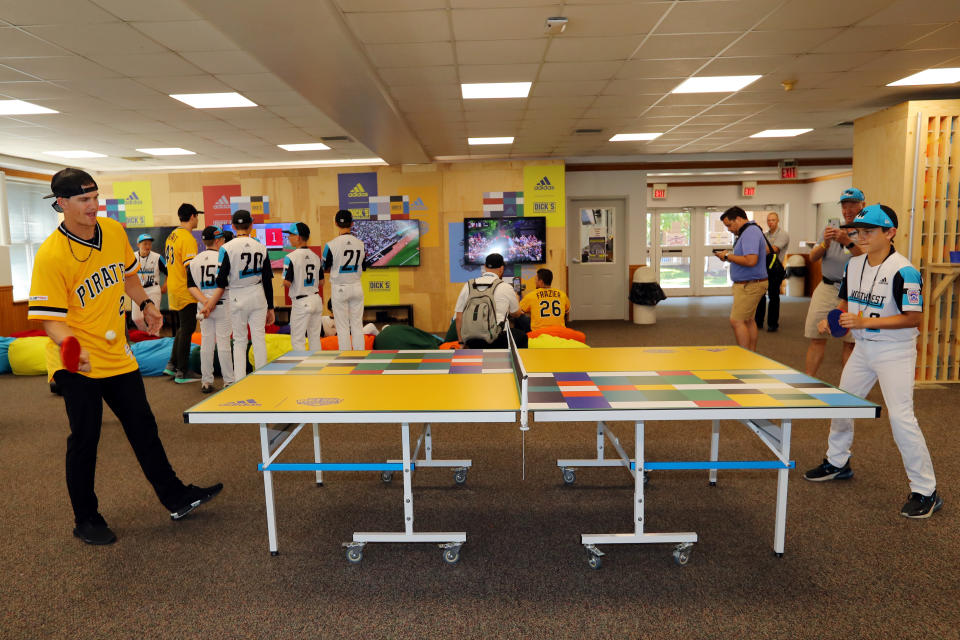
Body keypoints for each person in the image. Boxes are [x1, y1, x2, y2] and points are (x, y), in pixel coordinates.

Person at [28, 168, 222, 546]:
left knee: (143, 428)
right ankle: (86, 518)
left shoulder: (113, 232)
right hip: (76, 362)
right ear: (62, 203)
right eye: (84, 200)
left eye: (95, 197)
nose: (93, 205)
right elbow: (50, 322)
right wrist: (73, 348)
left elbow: (127, 275)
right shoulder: (51, 255)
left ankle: (176, 496)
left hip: (117, 355)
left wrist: (147, 304)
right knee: (85, 438)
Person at [804, 204, 942, 519]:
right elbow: (845, 302)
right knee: (841, 404)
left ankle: (926, 491)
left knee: (901, 418)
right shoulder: (854, 265)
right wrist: (832, 319)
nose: (862, 237)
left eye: (870, 231)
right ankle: (837, 463)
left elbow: (914, 319)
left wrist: (864, 323)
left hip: (895, 352)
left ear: (890, 233)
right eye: (859, 231)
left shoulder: (904, 271)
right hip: (863, 349)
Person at [201, 210, 274, 382]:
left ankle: (240, 381)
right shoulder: (261, 246)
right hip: (258, 294)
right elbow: (267, 280)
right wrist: (271, 307)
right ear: (251, 225)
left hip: (237, 295)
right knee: (259, 339)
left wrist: (210, 302)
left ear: (233, 226)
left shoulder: (226, 248)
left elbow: (220, 279)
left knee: (240, 341)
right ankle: (262, 379)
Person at [803, 188, 864, 377]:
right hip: (827, 287)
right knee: (816, 336)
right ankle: (807, 383)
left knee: (850, 342)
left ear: (863, 205)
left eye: (853, 204)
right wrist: (825, 244)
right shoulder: (829, 230)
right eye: (845, 205)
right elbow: (813, 257)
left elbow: (868, 259)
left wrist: (848, 242)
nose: (848, 209)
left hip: (854, 291)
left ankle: (849, 390)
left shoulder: (867, 231)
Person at [187, 226, 235, 394]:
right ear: (217, 240)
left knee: (206, 344)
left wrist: (206, 303)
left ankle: (206, 381)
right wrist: (211, 303)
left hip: (203, 307)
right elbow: (225, 284)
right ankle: (228, 381)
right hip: (221, 305)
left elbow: (191, 287)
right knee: (223, 344)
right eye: (221, 239)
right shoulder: (223, 258)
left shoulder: (194, 260)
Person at [715, 206, 767, 351]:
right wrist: (729, 256)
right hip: (750, 283)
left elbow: (751, 260)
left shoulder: (750, 232)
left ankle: (745, 357)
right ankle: (751, 354)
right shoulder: (750, 231)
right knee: (748, 320)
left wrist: (727, 256)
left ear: (738, 219)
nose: (729, 229)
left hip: (750, 285)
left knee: (737, 321)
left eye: (729, 225)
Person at [164, 203, 202, 383]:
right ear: (193, 216)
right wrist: (198, 293)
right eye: (197, 216)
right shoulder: (187, 238)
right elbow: (190, 270)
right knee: (187, 329)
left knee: (182, 328)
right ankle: (183, 371)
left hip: (174, 288)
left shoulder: (172, 235)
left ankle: (172, 365)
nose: (198, 219)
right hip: (184, 289)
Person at [455, 252, 523, 349]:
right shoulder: (506, 287)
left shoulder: (468, 285)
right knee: (522, 337)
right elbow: (516, 313)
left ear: (485, 267)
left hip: (472, 339)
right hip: (497, 338)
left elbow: (458, 317)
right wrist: (516, 298)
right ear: (501, 268)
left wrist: (461, 342)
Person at [323, 210, 366, 350]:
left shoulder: (330, 245)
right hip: (356, 286)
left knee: (342, 327)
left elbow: (325, 268)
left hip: (340, 287)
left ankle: (345, 358)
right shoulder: (361, 244)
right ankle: (361, 357)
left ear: (336, 223)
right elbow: (363, 266)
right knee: (357, 325)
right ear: (352, 224)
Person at [283, 222, 324, 351]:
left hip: (301, 302)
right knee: (314, 338)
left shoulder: (290, 257)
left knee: (298, 339)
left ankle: (301, 369)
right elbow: (321, 283)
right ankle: (317, 367)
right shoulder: (316, 256)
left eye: (291, 235)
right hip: (316, 299)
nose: (288, 237)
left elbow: (287, 283)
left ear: (298, 237)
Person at [754, 211, 789, 332]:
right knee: (760, 295)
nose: (770, 222)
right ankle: (758, 322)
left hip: (775, 269)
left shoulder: (783, 234)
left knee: (774, 296)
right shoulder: (765, 235)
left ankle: (772, 324)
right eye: (768, 220)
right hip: (764, 268)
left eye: (773, 220)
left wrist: (761, 249)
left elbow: (773, 249)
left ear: (778, 221)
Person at [131, 233, 166, 333]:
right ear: (138, 245)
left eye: (149, 244)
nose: (148, 246)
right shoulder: (132, 257)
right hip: (137, 289)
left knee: (154, 318)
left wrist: (165, 285)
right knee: (136, 318)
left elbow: (169, 271)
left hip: (153, 289)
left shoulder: (157, 257)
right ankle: (146, 334)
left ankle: (155, 339)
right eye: (145, 244)